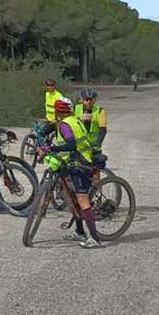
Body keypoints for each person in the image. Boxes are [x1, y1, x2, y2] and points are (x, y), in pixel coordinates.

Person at [40, 98, 102, 248]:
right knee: (70, 198)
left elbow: (71, 144)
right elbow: (49, 129)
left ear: (57, 112)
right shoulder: (73, 120)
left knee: (82, 200)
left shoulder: (65, 125)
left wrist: (51, 149)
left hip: (80, 163)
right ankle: (80, 231)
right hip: (73, 162)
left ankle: (95, 238)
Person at [74, 88, 108, 186]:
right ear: (82, 99)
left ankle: (98, 198)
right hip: (80, 147)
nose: (89, 102)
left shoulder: (100, 111)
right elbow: (70, 121)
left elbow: (103, 130)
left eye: (91, 99)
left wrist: (97, 143)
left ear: (95, 100)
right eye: (86, 99)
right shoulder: (76, 108)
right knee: (77, 172)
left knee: (96, 174)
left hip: (94, 147)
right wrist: (79, 118)